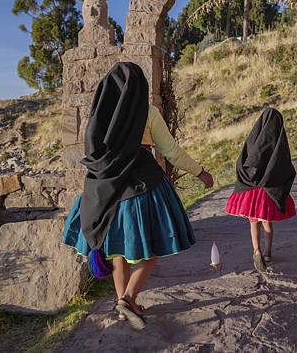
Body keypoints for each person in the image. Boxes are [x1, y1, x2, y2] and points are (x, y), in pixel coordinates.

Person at [62, 62, 214, 330]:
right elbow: (170, 150)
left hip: (106, 192)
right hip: (141, 190)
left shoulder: (101, 115)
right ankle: (128, 298)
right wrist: (199, 172)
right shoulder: (148, 112)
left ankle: (124, 305)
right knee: (150, 251)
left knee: (118, 253)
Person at [225, 107, 296, 272]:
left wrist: (249, 178)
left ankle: (256, 249)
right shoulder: (279, 141)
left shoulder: (254, 139)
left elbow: (245, 161)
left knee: (253, 222)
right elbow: (284, 166)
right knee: (267, 223)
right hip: (268, 190)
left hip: (252, 189)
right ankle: (267, 253)